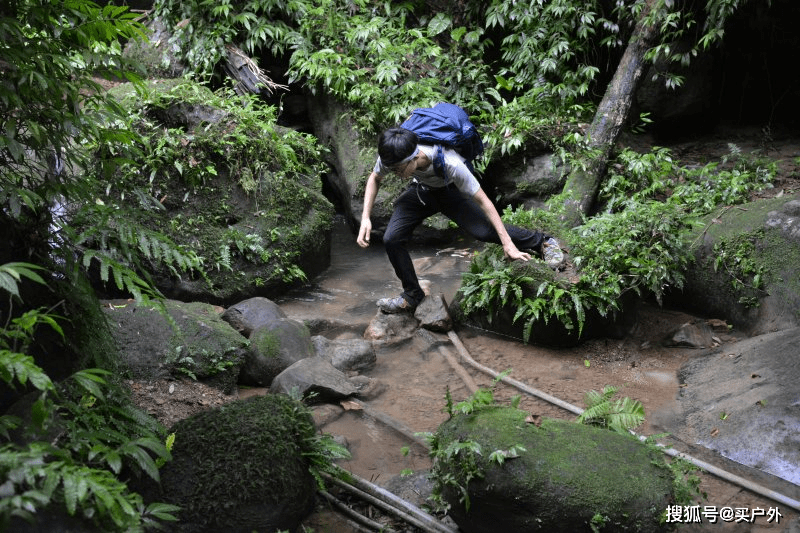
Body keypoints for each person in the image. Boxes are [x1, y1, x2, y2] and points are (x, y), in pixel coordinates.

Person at [357, 126, 563, 313]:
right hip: (420, 192)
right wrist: (366, 217)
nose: (394, 173)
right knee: (391, 238)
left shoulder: (451, 163)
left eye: (398, 170)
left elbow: (484, 202)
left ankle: (543, 241)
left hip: (449, 192)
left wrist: (507, 244)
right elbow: (375, 178)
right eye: (392, 169)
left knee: (483, 231)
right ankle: (412, 295)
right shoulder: (393, 156)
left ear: (414, 157)